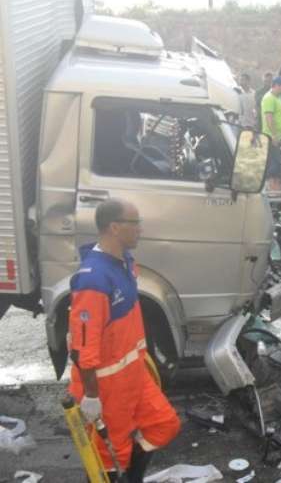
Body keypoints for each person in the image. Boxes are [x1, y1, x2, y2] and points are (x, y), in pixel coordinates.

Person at [68, 199, 180, 482]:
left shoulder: (124, 263)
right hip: (108, 387)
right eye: (135, 223)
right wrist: (92, 396)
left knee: (164, 424)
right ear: (115, 228)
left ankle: (131, 477)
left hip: (133, 376)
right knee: (110, 455)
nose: (141, 229)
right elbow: (84, 347)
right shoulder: (93, 281)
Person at [261, 76, 281, 191]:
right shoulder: (269, 98)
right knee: (275, 162)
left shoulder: (278, 98)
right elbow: (269, 117)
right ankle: (271, 187)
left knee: (278, 162)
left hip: (280, 136)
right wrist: (274, 135)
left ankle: (275, 186)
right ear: (276, 85)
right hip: (272, 136)